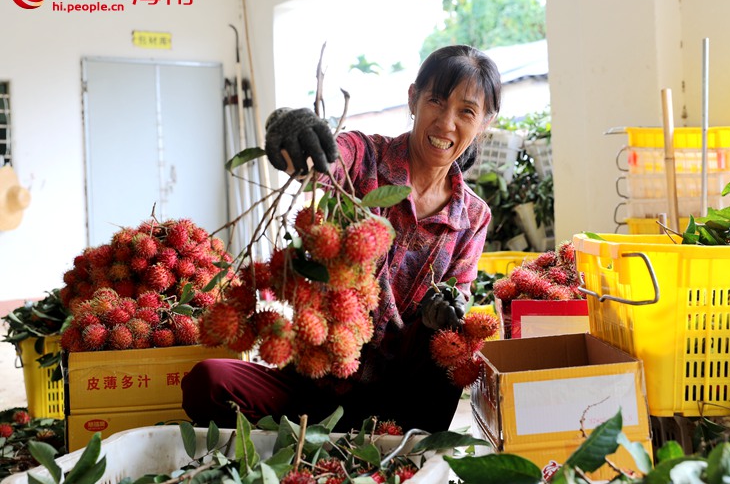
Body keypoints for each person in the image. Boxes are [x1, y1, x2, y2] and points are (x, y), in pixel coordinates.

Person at [182, 44, 502, 433]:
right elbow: (326, 160)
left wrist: (448, 308)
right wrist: (293, 133)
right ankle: (335, 433)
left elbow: (459, 294)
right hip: (318, 382)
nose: (446, 122)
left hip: (400, 399)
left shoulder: (472, 216)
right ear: (413, 98)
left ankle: (387, 441)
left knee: (453, 348)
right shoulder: (364, 155)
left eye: (466, 111)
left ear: (484, 122)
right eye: (436, 100)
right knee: (208, 384)